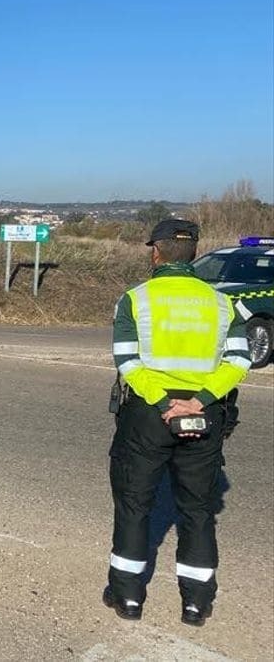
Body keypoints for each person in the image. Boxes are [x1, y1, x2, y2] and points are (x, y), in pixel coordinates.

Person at [103, 218, 251, 626]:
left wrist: (165, 402)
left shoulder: (135, 300)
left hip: (149, 414)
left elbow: (128, 361)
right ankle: (196, 603)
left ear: (156, 253)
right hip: (206, 415)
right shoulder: (223, 303)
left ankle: (127, 596)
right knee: (198, 510)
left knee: (134, 505)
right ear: (194, 253)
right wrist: (198, 400)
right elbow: (240, 360)